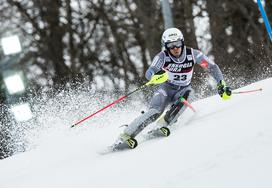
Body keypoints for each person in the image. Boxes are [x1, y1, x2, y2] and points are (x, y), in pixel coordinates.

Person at [115, 28, 232, 149]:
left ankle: (163, 124)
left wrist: (221, 83)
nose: (175, 48)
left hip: (183, 89)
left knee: (189, 94)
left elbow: (212, 67)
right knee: (155, 111)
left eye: (177, 44)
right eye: (171, 45)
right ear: (166, 46)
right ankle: (125, 136)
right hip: (166, 89)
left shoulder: (193, 54)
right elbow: (149, 72)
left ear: (182, 42)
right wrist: (154, 76)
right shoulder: (162, 57)